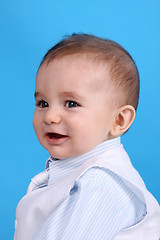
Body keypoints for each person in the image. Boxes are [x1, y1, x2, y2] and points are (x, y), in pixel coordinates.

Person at [14, 34, 160, 240]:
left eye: (71, 103)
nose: (50, 116)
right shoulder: (78, 174)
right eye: (42, 103)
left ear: (119, 120)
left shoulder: (99, 186)